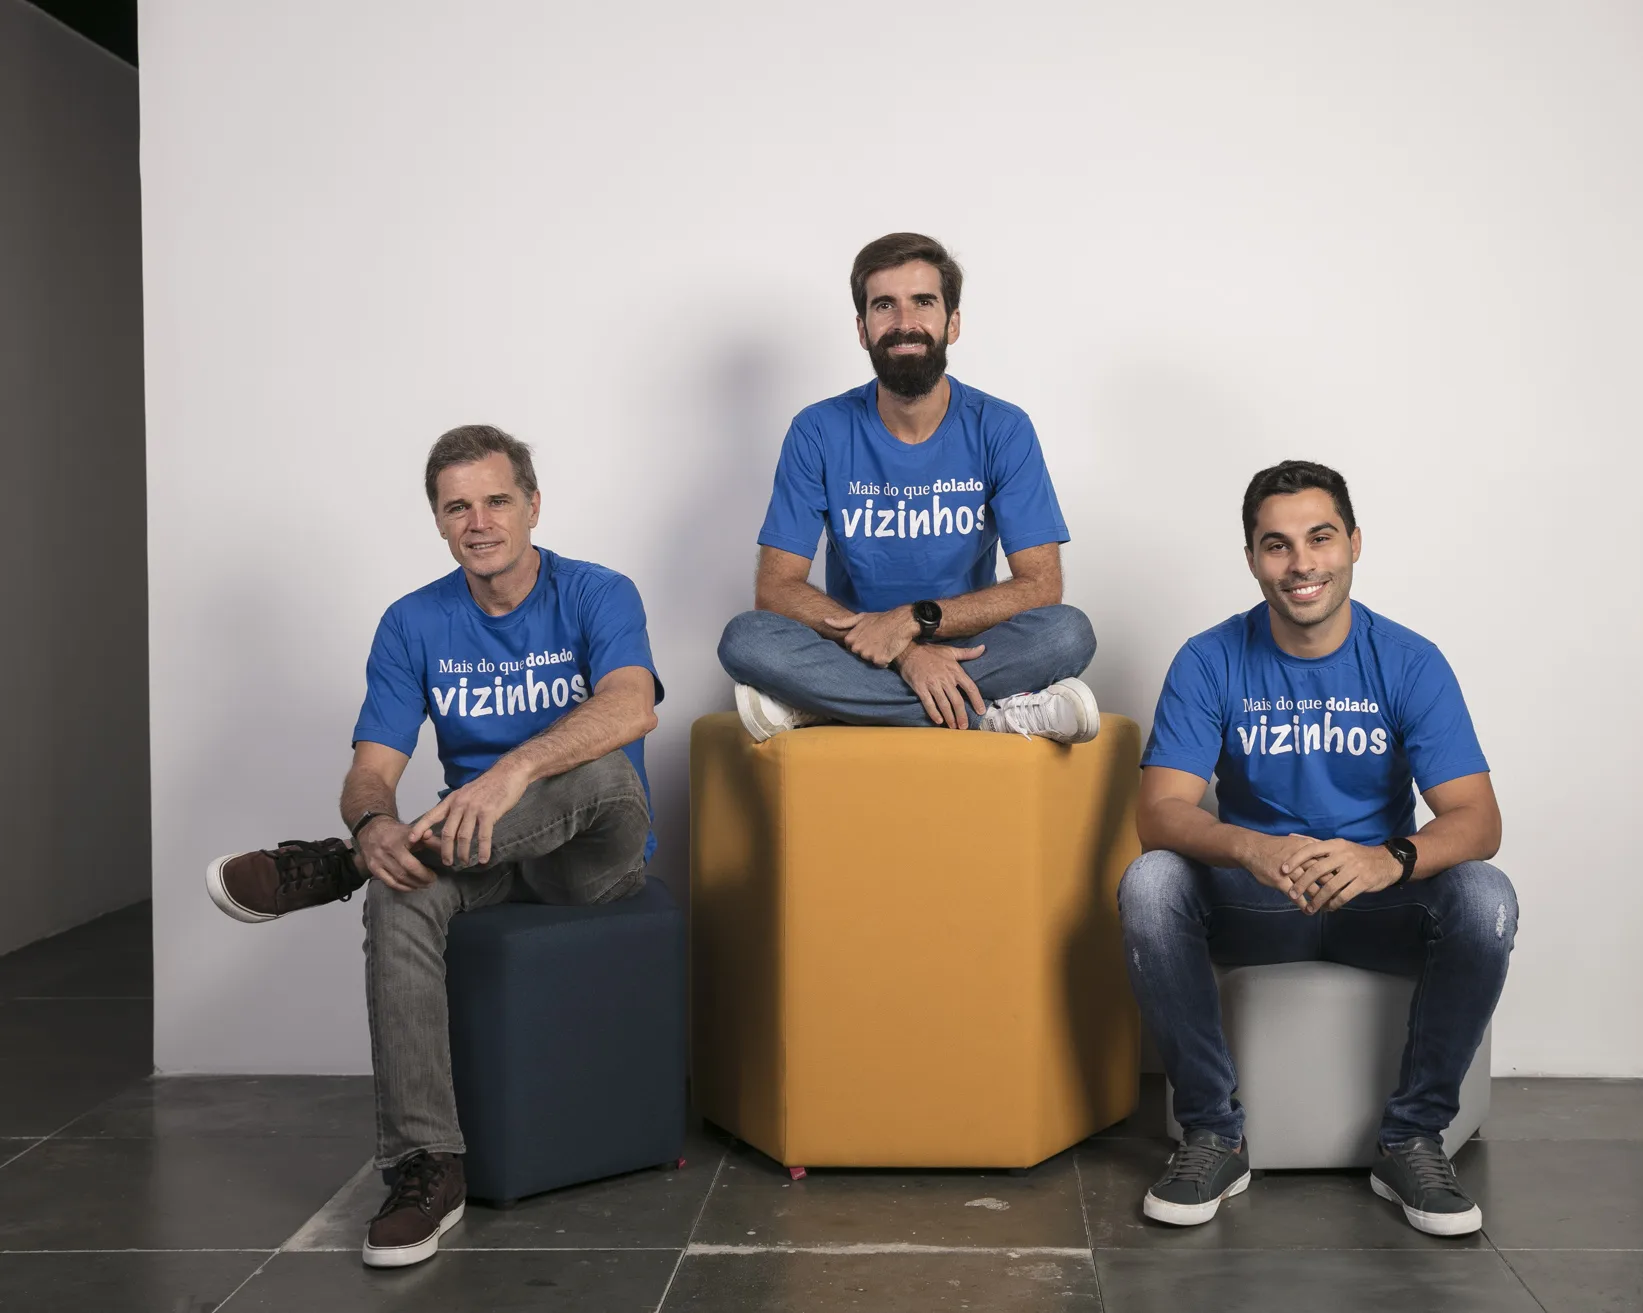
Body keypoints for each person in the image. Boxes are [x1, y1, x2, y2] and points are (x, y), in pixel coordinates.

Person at [204, 426, 662, 1269]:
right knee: (397, 887)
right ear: (439, 522)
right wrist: (374, 827)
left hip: (594, 856)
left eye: (495, 500)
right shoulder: (413, 621)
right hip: (477, 854)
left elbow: (633, 708)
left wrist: (510, 773)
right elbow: (370, 772)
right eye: (458, 507)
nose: (478, 521)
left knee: (601, 772)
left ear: (532, 505)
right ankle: (428, 1165)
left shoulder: (598, 591)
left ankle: (330, 869)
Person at [1119, 459, 1514, 1235]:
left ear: (1354, 544)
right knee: (1150, 883)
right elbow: (1158, 813)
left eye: (1319, 537)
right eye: (1276, 544)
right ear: (1251, 559)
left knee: (1484, 896)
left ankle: (1411, 1136)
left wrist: (1385, 859)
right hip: (1256, 898)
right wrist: (1248, 848)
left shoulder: (1407, 660)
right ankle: (1213, 1132)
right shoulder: (1210, 657)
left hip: (1375, 899)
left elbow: (1477, 819)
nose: (1300, 563)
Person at [718, 232, 1100, 744]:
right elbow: (777, 588)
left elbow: (1040, 586)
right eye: (884, 306)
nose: (904, 324)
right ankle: (985, 713)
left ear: (953, 322)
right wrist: (903, 652)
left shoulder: (1002, 428)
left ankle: (833, 707)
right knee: (747, 639)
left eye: (923, 302)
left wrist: (915, 623)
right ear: (862, 328)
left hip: (971, 647)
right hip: (856, 647)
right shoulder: (818, 430)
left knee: (1067, 631)